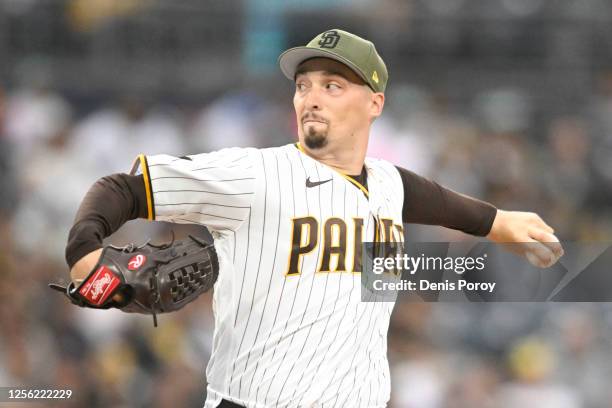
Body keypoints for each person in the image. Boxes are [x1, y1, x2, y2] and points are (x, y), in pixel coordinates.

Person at [66, 29, 563, 408]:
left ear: (375, 103)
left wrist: (497, 223)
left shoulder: (389, 183)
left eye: (332, 84)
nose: (311, 96)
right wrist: (83, 250)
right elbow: (122, 189)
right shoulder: (256, 173)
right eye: (303, 85)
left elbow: (427, 198)